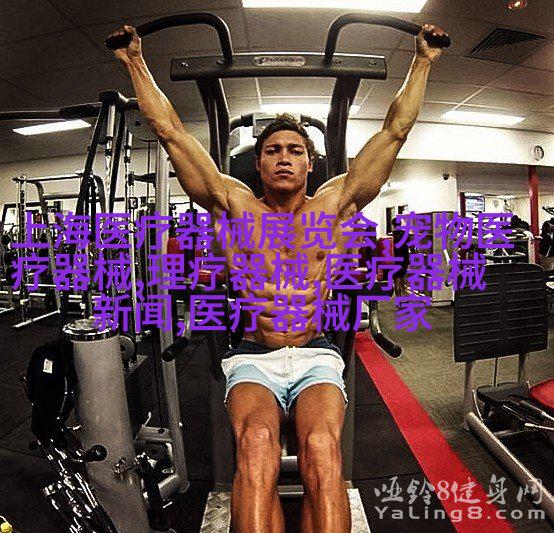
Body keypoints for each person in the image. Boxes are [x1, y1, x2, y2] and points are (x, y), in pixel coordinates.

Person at [110, 23, 445, 533]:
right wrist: (135, 61)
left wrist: (422, 62)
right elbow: (171, 132)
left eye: (294, 150)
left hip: (315, 353)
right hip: (254, 356)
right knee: (256, 447)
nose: (283, 157)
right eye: (272, 150)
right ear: (258, 163)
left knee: (322, 451)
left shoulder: (335, 205)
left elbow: (394, 132)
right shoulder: (233, 205)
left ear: (311, 163)